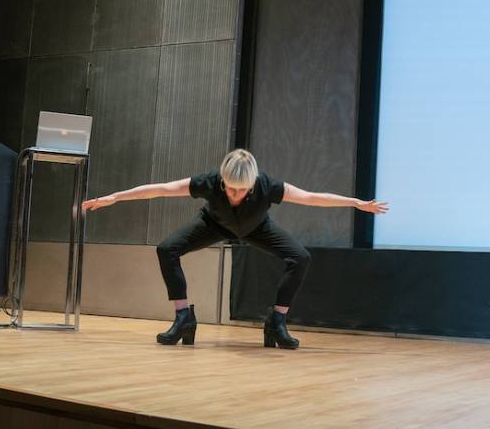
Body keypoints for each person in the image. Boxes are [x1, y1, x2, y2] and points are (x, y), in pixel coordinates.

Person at [81, 149, 388, 349]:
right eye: (230, 188)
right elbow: (161, 189)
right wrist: (115, 197)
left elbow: (310, 197)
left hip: (257, 229)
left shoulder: (268, 186)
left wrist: (355, 203)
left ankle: (276, 322)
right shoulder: (209, 182)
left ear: (253, 184)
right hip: (213, 225)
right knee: (167, 249)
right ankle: (183, 317)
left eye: (242, 190)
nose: (235, 194)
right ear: (222, 181)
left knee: (300, 257)